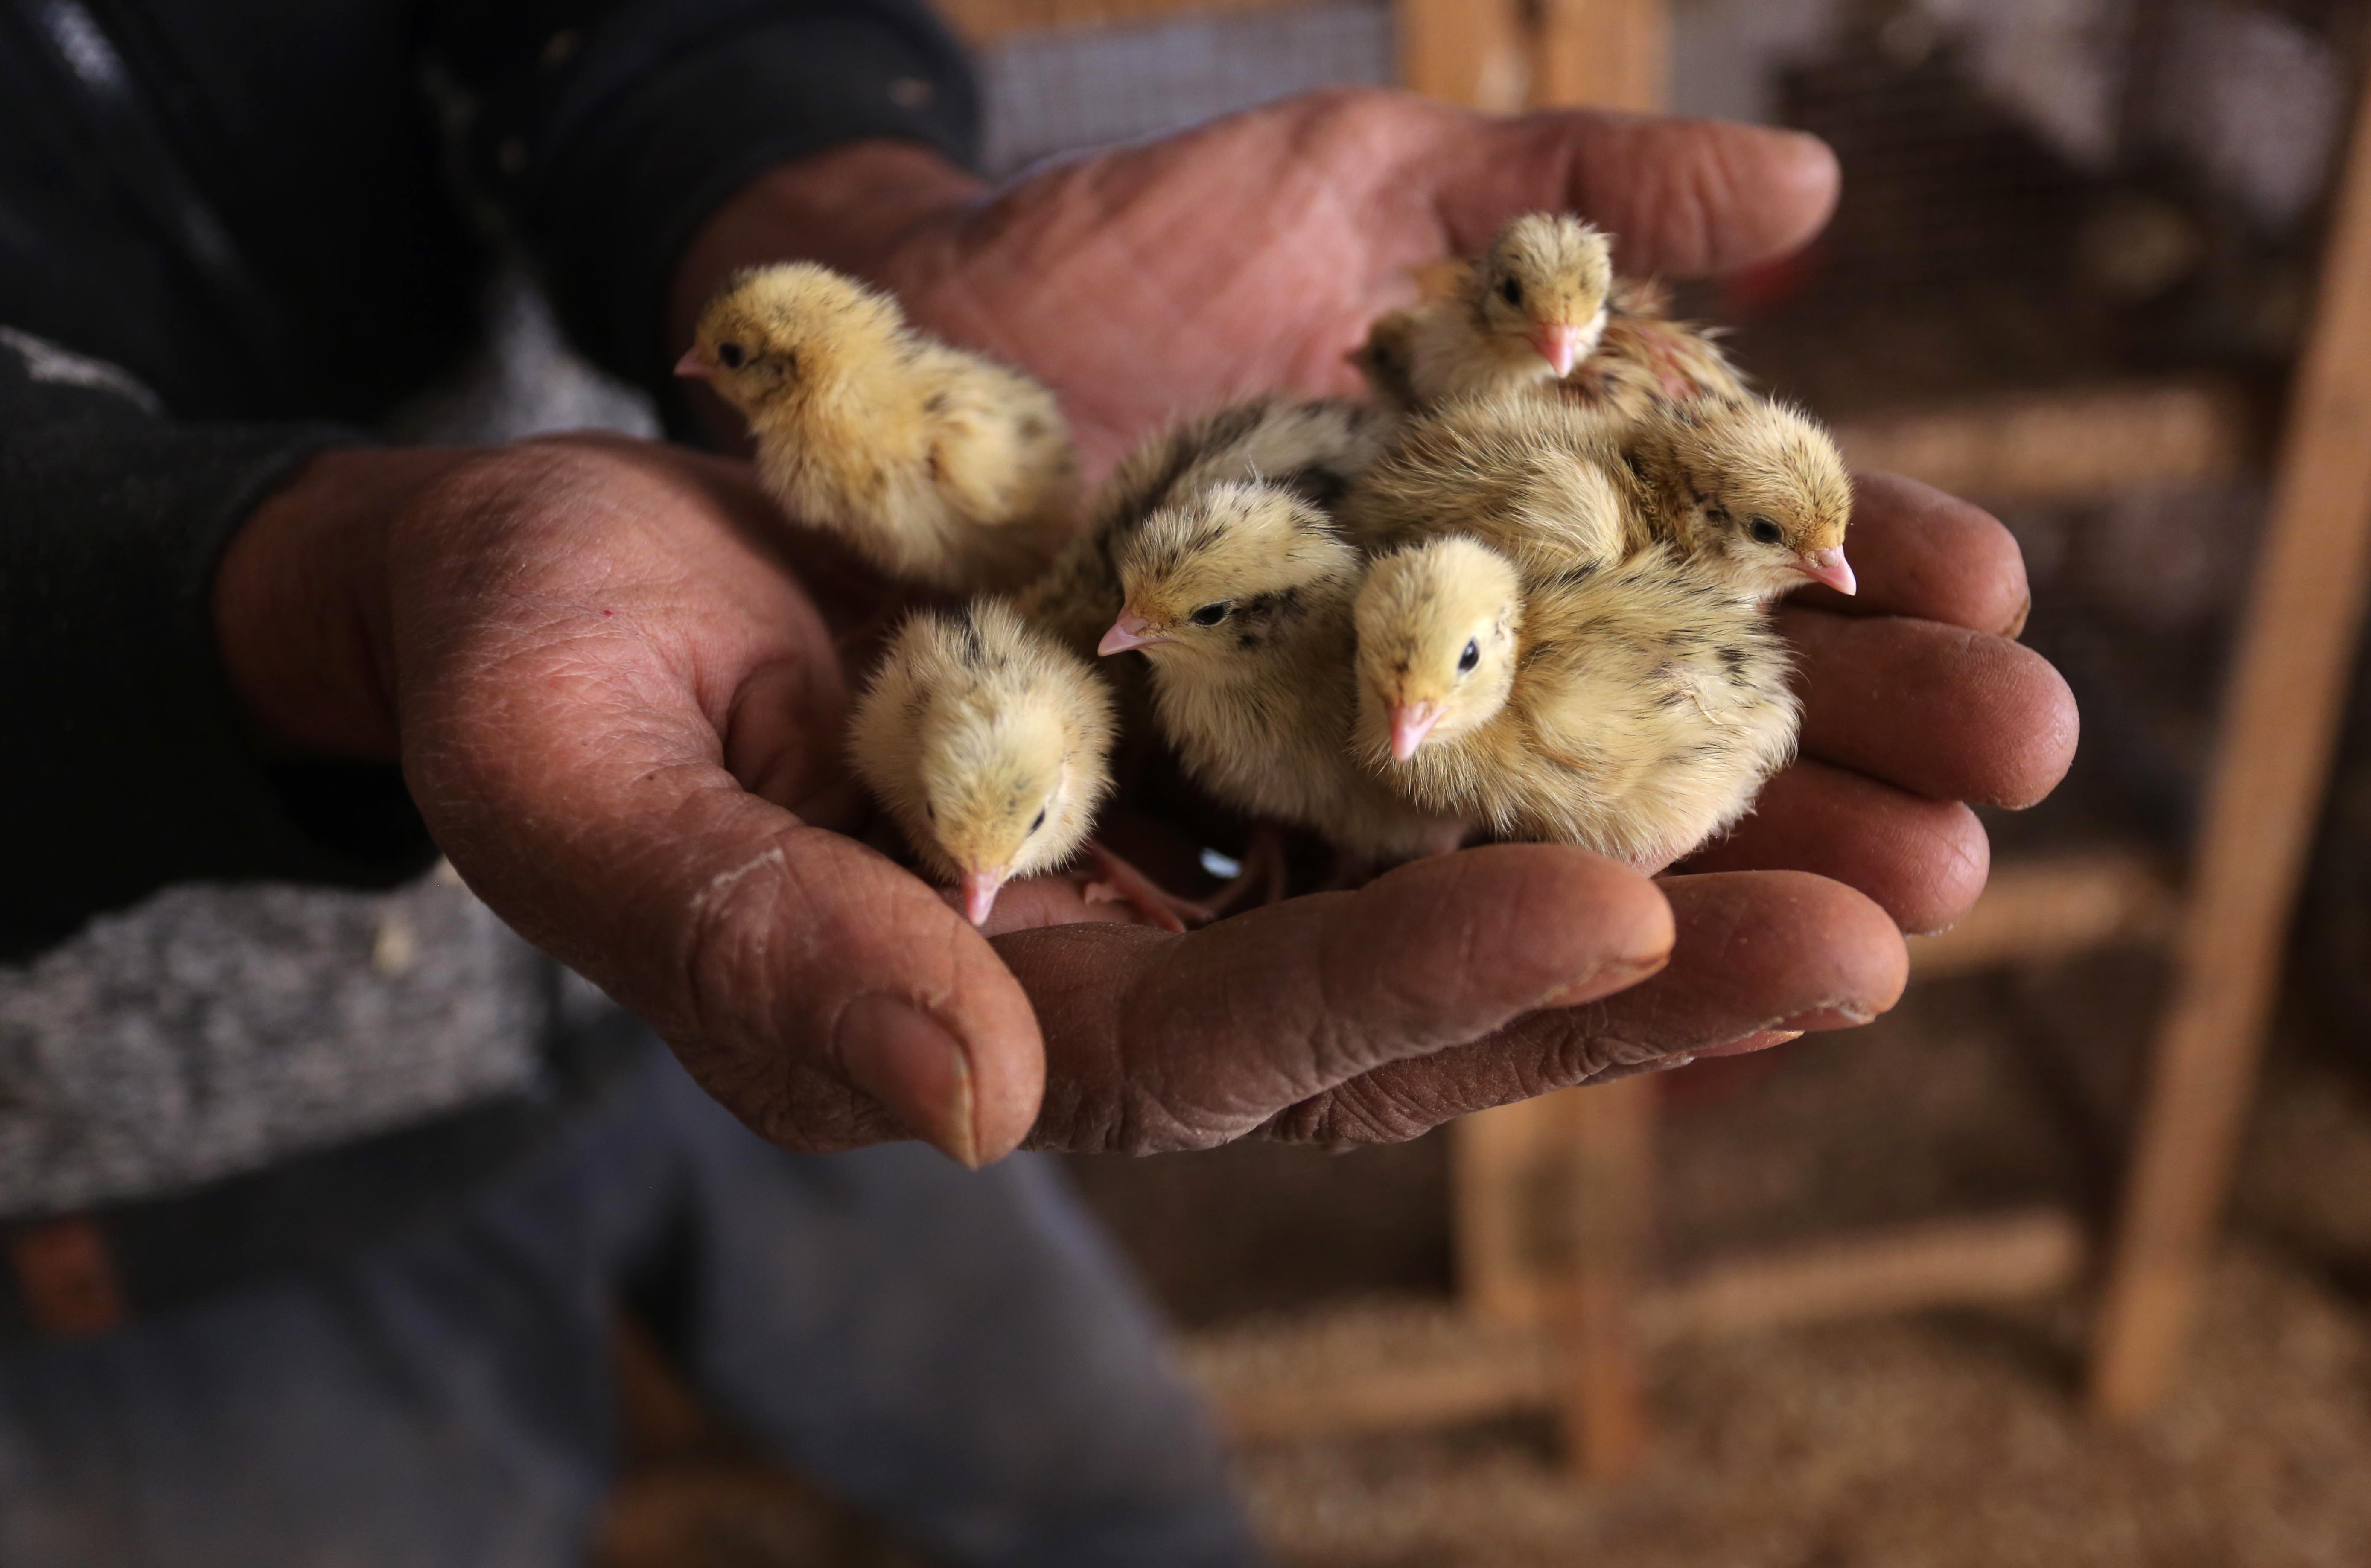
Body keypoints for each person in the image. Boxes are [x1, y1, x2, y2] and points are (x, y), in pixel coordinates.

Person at [0, 0, 2077, 1563]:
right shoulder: (1111, 637)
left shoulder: (1381, 571)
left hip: (740, 805)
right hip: (150, 1172)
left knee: (1126, 1503)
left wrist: (859, 212)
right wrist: (314, 592)